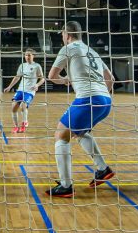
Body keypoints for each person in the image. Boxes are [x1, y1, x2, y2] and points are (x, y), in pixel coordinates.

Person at [47, 21, 115, 197]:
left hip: (88, 98)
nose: (62, 38)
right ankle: (102, 169)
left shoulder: (68, 48)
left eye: (62, 35)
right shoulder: (93, 52)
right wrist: (100, 97)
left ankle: (65, 186)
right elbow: (111, 79)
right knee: (78, 133)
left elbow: (52, 76)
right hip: (105, 101)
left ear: (67, 35)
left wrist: (66, 80)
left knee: (60, 135)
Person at [4, 48, 45, 133]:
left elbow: (42, 79)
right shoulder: (22, 65)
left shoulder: (37, 66)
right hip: (20, 89)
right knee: (13, 107)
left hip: (29, 91)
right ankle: (16, 127)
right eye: (26, 55)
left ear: (33, 56)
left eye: (29, 55)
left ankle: (24, 123)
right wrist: (9, 87)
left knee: (23, 105)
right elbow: (17, 77)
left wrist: (37, 85)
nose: (27, 57)